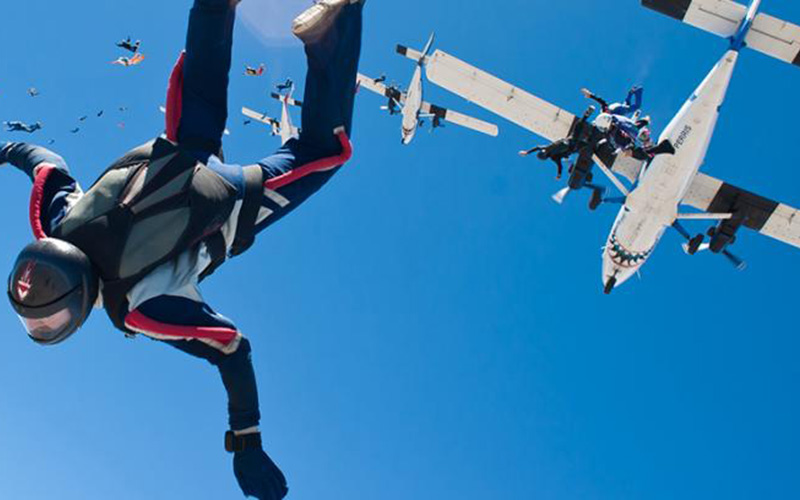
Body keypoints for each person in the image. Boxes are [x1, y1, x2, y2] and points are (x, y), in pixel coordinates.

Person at [1, 0, 365, 498]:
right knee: (204, 84)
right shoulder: (54, 223)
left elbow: (231, 348)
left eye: (50, 319)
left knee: (325, 153)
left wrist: (247, 440)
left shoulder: (137, 308)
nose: (51, 322)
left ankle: (334, 28)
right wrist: (3, 151)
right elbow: (42, 161)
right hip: (179, 152)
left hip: (230, 201)